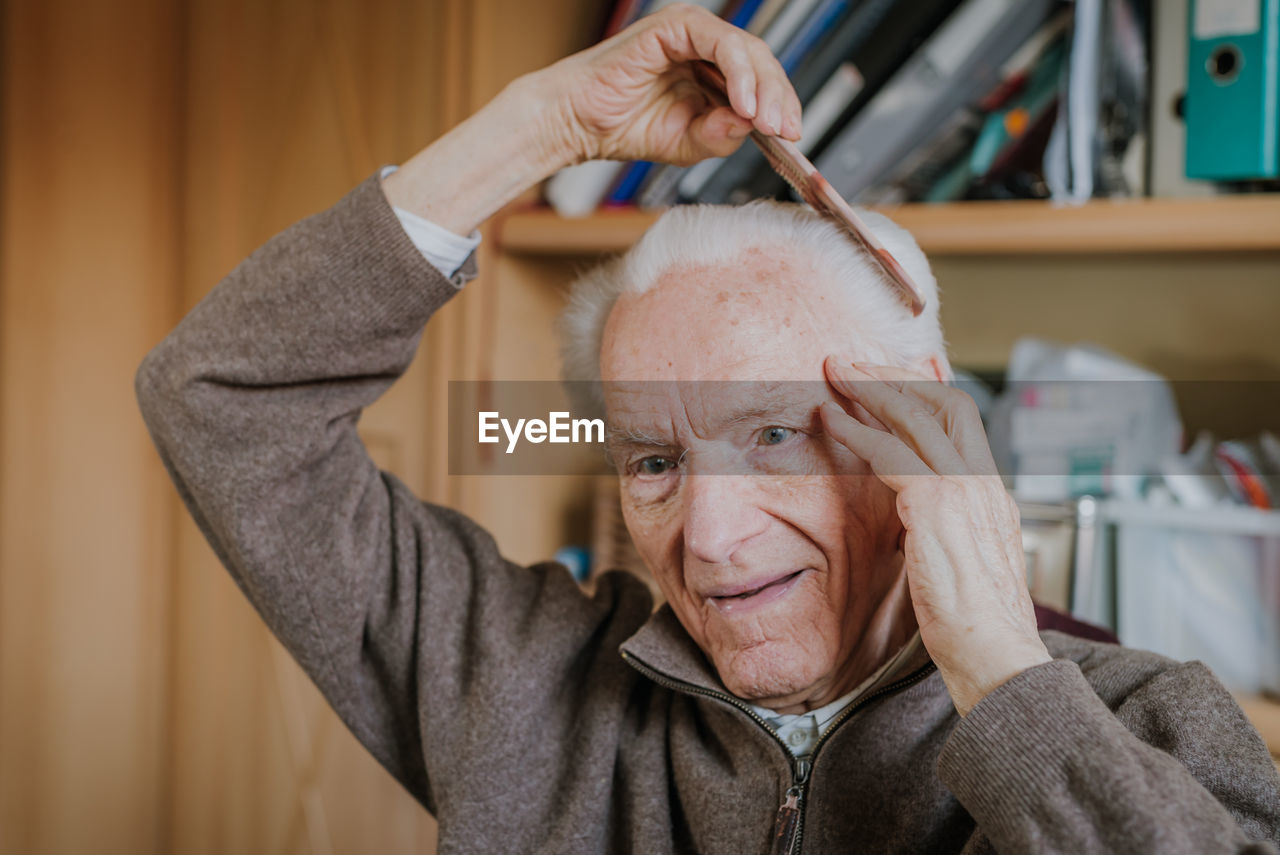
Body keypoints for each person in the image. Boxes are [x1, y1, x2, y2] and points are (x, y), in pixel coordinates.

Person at [136, 4, 1280, 852]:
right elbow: (226, 400)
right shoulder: (522, 678)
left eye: (775, 434)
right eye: (652, 459)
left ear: (925, 426)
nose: (711, 537)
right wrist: (543, 125)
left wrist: (1000, 679)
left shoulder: (1153, 723)